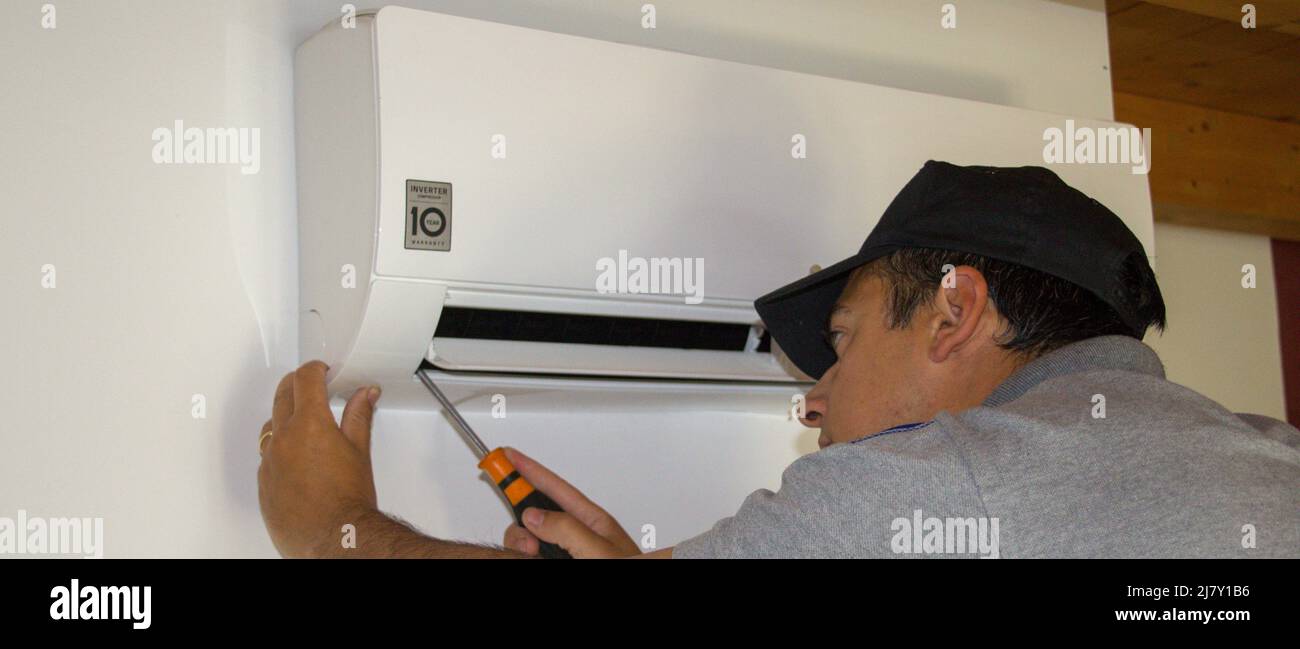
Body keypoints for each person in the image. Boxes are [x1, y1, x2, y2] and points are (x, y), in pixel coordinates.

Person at [257, 161, 1300, 558]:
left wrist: (338, 532)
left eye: (839, 344)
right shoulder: (1272, 459)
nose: (815, 400)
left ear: (953, 313)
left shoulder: (947, 483)